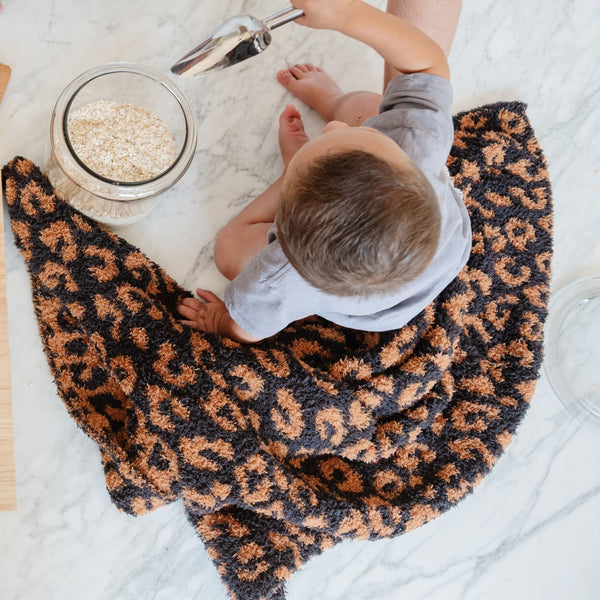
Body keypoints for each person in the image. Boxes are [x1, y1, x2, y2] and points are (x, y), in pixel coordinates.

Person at [177, 0, 471, 343]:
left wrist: (218, 320)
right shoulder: (417, 140)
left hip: (376, 313)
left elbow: (248, 325)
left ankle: (294, 172)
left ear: (283, 235)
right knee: (364, 108)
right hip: (442, 255)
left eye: (322, 141)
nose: (331, 126)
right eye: (362, 135)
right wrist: (346, 14)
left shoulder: (279, 276)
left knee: (229, 250)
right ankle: (326, 118)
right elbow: (427, 65)